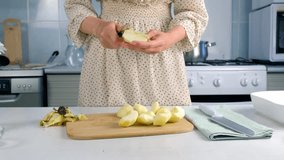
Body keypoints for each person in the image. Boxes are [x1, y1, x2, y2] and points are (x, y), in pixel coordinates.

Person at [65, 0, 208, 107]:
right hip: (106, 56)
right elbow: (76, 4)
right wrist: (98, 27)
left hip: (163, 60)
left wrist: (170, 37)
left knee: (166, 138)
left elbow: (193, 12)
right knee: (102, 131)